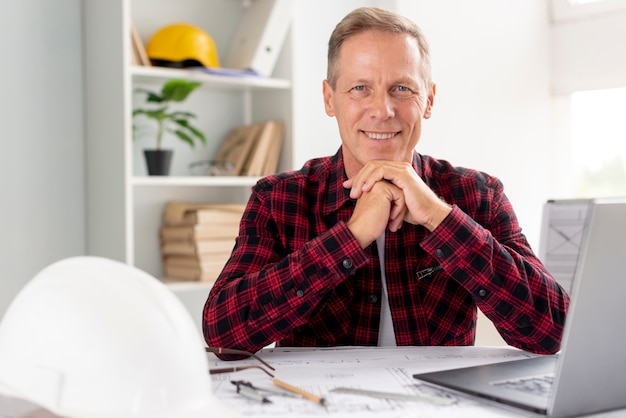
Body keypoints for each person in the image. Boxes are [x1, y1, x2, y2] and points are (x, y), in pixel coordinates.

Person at [203, 7, 569, 357]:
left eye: (402, 89)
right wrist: (351, 236)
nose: (382, 110)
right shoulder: (279, 198)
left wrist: (440, 219)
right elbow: (223, 335)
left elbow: (554, 331)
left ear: (429, 100)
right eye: (360, 88)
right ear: (330, 99)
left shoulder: (478, 195)